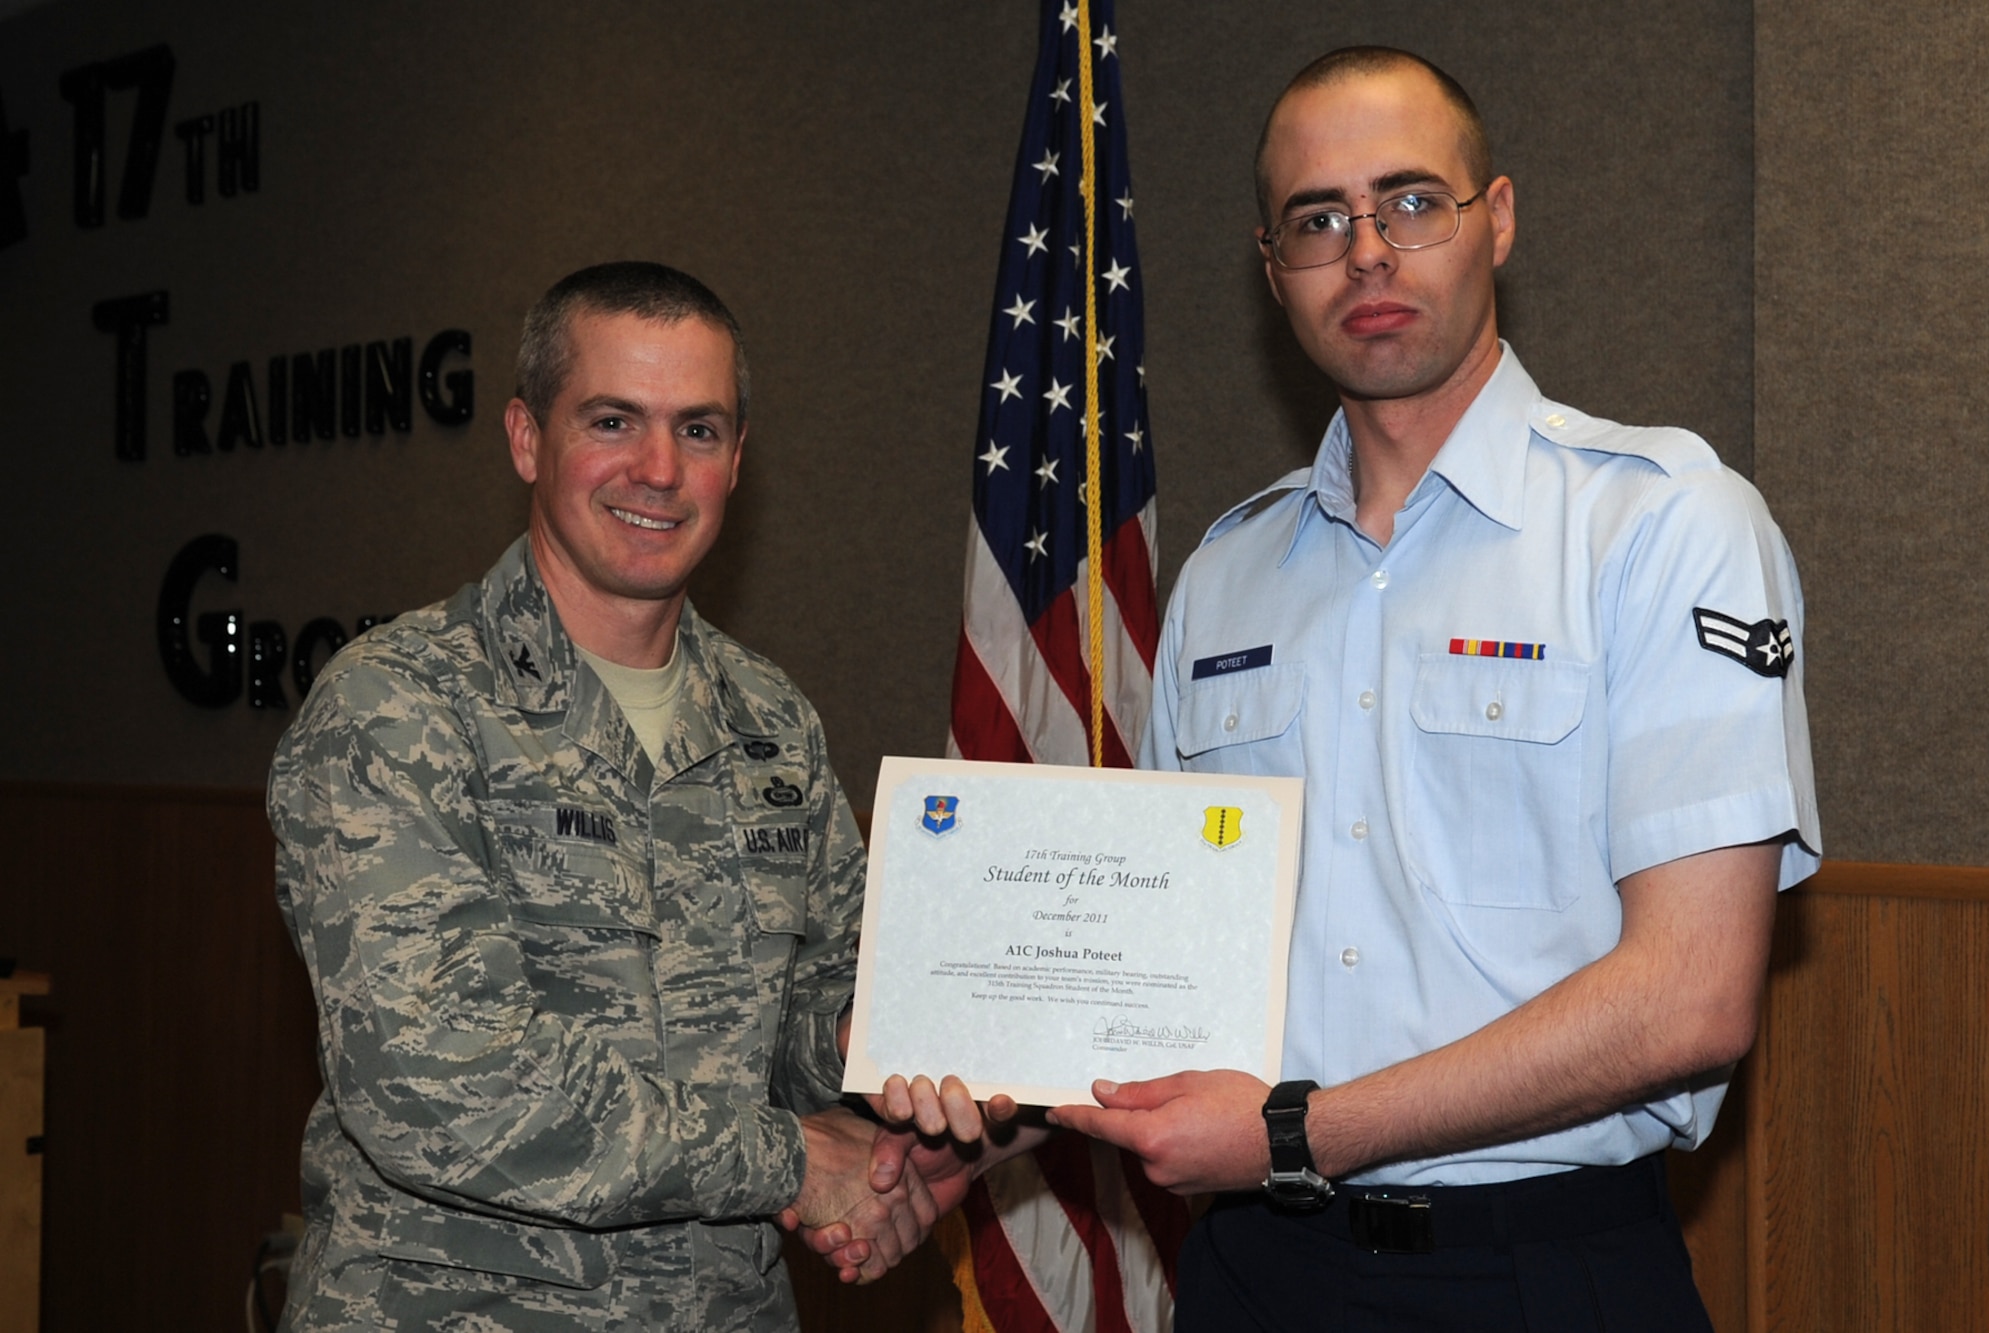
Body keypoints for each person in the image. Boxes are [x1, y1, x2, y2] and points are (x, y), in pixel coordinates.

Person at [831, 46, 1819, 1330]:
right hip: (1256, 1275)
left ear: (1497, 218)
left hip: (1539, 1273)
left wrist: (1298, 1130)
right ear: (1270, 268)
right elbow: (1165, 979)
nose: (1365, 251)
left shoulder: (1661, 528)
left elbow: (1690, 998)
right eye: (1317, 219)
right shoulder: (1224, 579)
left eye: (1410, 201)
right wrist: (977, 1129)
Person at [269, 261, 961, 1331]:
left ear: (737, 457)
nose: (656, 469)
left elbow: (810, 1010)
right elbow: (446, 1083)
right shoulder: (396, 709)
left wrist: (930, 1048)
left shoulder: (769, 720)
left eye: (698, 429)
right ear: (525, 438)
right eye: (611, 420)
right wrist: (793, 1162)